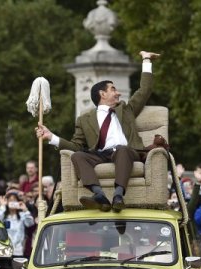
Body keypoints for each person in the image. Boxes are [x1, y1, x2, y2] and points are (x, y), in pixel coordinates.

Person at [36, 50, 160, 212]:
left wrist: (146, 60)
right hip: (100, 155)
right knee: (78, 156)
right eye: (113, 89)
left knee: (122, 150)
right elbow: (76, 146)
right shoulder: (84, 119)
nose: (118, 93)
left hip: (125, 152)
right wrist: (51, 137)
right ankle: (99, 194)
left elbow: (145, 90)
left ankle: (118, 195)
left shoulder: (126, 109)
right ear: (102, 94)